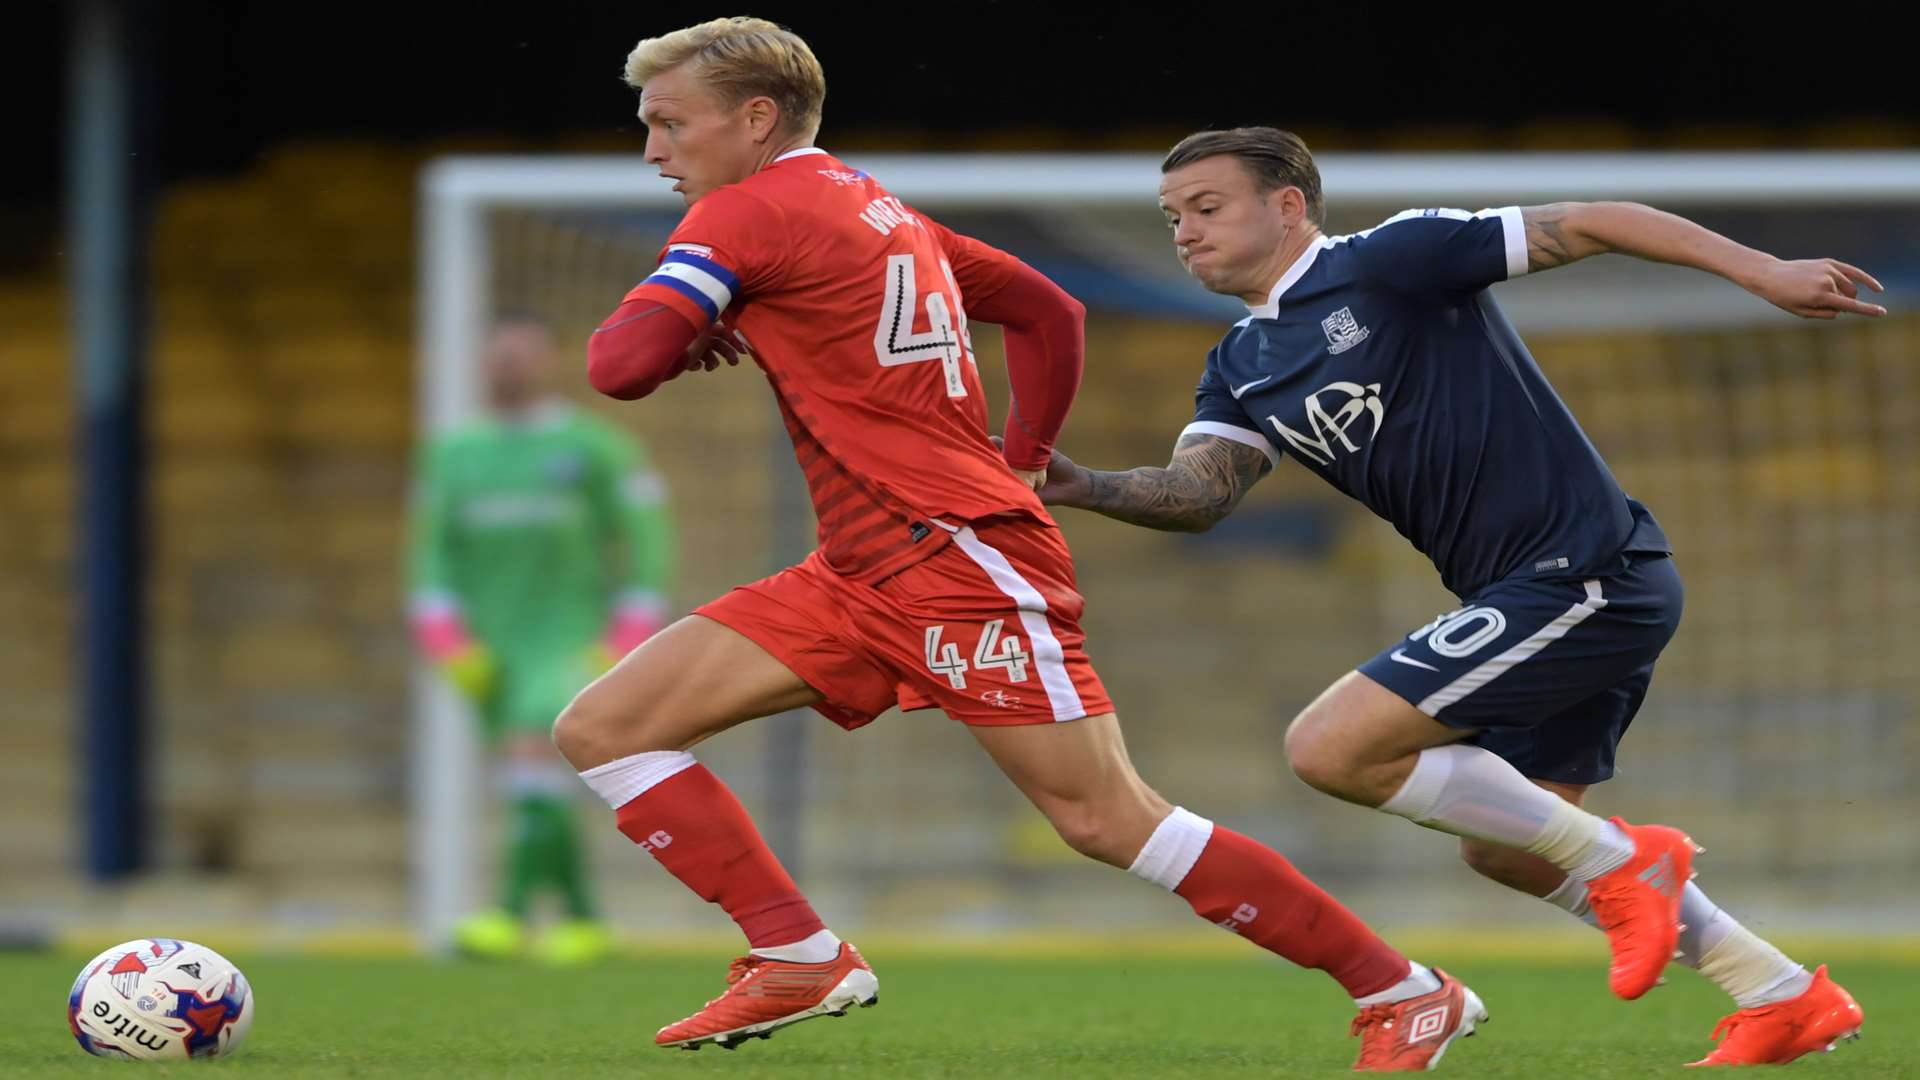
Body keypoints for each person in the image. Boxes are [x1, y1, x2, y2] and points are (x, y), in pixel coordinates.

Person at [553, 18, 1483, 1071]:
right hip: (860, 566)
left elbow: (617, 366)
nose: (654, 150)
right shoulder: (881, 211)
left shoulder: (743, 214)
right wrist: (1024, 450)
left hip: (954, 560)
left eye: (671, 123)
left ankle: (1405, 991)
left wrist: (687, 310)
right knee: (608, 726)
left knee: (1106, 820)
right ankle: (796, 949)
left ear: (755, 118)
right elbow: (1050, 311)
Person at [1028, 126, 1876, 1068]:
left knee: (1331, 748)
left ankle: (1627, 860)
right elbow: (1200, 495)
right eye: (1173, 216)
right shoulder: (1240, 363)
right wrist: (1083, 485)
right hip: (1537, 595)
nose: (1184, 232)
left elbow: (1598, 220)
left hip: (1585, 571)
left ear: (1288, 205)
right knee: (1509, 847)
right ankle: (1781, 992)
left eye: (1207, 207)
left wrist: (1764, 273)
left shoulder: (1393, 260)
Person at [409, 312, 676, 965]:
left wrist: (627, 634)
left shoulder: (596, 447)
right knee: (529, 776)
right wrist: (444, 639)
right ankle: (585, 917)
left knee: (536, 748)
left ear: (549, 363)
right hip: (487, 644)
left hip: (567, 634)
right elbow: (430, 553)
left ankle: (509, 913)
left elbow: (646, 542)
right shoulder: (452, 453)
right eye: (498, 355)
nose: (509, 367)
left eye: (522, 355)